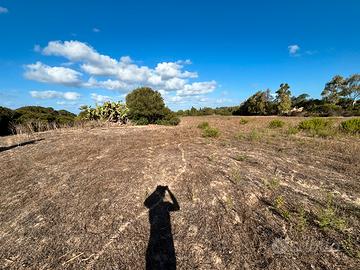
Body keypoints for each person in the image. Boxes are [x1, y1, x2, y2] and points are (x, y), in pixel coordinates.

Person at [144, 185, 180, 270]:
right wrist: (168, 191)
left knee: (154, 260)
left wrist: (157, 191)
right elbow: (177, 207)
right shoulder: (163, 205)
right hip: (165, 234)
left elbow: (146, 203)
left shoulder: (153, 206)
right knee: (167, 259)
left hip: (156, 234)